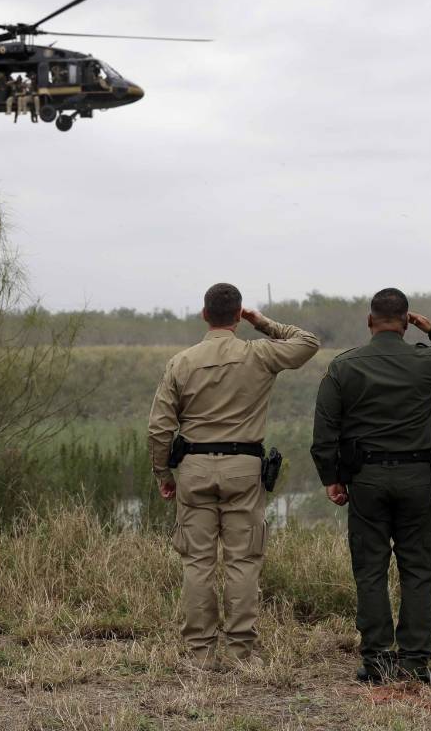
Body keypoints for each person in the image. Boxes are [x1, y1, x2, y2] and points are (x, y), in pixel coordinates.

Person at [311, 288, 431, 684]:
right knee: (418, 569)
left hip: (367, 480)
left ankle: (376, 660)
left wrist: (332, 479)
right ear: (407, 323)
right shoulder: (426, 360)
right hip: (415, 479)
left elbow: (324, 432)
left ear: (369, 322)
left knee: (370, 569)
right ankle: (415, 662)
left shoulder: (344, 367)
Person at [148, 283, 319, 670]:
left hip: (193, 468)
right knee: (243, 561)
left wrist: (163, 472)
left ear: (204, 314)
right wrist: (263, 323)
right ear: (240, 314)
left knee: (198, 562)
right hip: (244, 468)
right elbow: (307, 343)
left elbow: (159, 428)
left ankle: (199, 653)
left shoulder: (182, 361)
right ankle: (242, 652)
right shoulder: (259, 354)